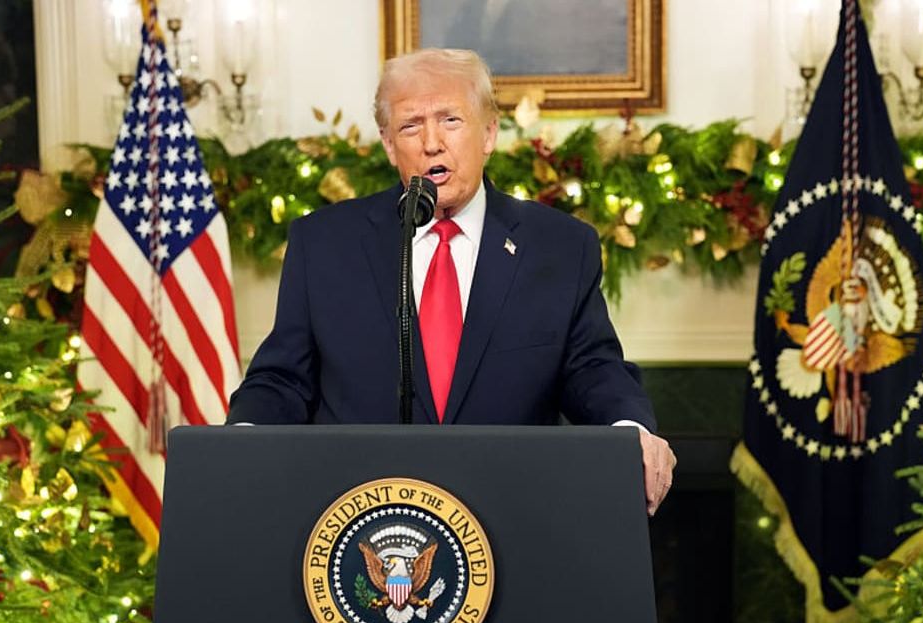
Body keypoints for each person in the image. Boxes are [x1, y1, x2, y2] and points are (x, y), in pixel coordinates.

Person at [227, 48, 676, 515]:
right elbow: (283, 379)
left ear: (489, 133)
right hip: (364, 517)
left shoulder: (559, 246)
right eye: (410, 126)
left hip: (511, 512)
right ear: (388, 145)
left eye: (450, 120)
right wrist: (241, 439)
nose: (432, 143)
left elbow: (592, 369)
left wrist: (630, 431)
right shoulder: (324, 243)